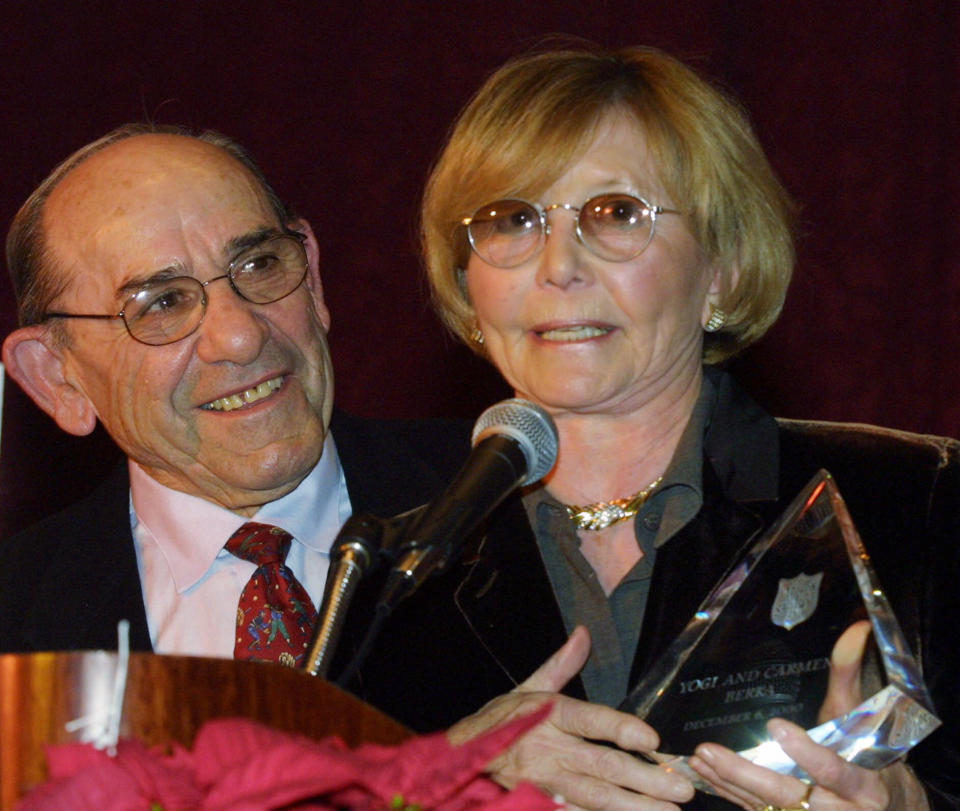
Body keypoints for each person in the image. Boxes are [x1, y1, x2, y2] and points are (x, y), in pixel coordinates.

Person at [334, 46, 960, 810]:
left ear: (722, 267)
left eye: (616, 213)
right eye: (512, 219)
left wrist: (911, 807)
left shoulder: (915, 500)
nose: (558, 265)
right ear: (469, 284)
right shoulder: (395, 584)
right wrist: (439, 782)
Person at [0, 124, 693, 805]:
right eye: (162, 304)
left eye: (260, 266)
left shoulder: (522, 504)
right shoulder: (19, 627)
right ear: (57, 377)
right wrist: (442, 781)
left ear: (315, 275)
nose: (240, 335)